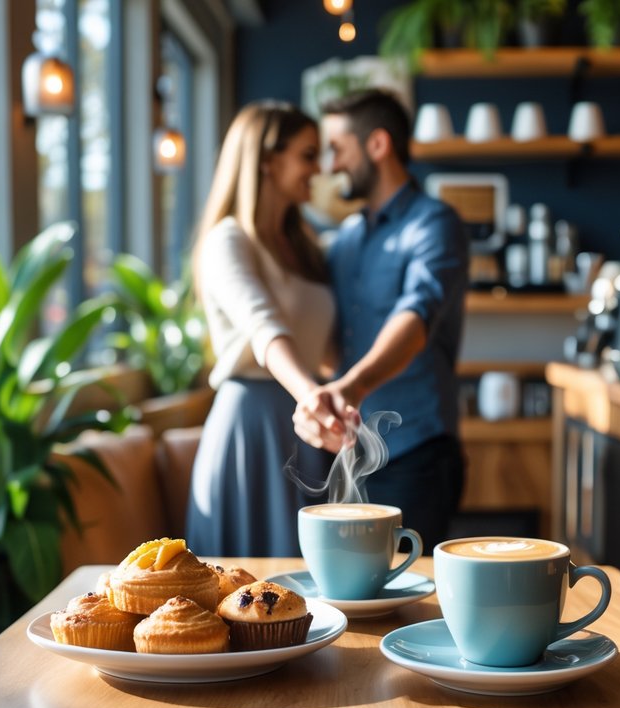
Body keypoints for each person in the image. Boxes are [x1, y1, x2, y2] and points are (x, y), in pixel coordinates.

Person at [293, 88, 469, 554]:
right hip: (350, 454)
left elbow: (415, 318)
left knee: (412, 598)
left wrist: (348, 387)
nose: (330, 166)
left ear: (377, 145)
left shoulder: (435, 224)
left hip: (417, 456)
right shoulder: (347, 238)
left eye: (338, 148)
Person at [185, 101, 335, 557]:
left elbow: (325, 348)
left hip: (304, 424)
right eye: (309, 154)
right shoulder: (228, 240)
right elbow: (264, 328)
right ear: (268, 160)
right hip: (251, 428)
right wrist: (313, 395)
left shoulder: (306, 247)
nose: (319, 167)